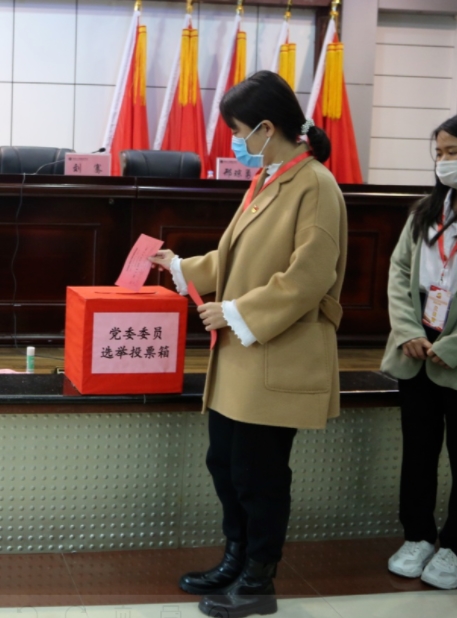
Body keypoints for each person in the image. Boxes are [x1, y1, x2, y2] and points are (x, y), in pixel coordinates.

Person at [150, 70, 347, 617]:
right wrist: (181, 266)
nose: (236, 142)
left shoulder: (315, 184)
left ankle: (259, 580)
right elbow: (233, 257)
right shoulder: (268, 177)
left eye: (238, 131)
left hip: (276, 353)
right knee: (225, 463)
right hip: (243, 353)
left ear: (266, 127)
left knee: (259, 475)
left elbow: (310, 276)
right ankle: (235, 559)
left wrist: (235, 311)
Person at [382, 115, 457, 590]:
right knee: (418, 452)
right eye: (441, 153)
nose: (445, 162)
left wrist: (453, 345)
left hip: (453, 349)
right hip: (418, 347)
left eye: (454, 152)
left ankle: (454, 545)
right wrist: (408, 330)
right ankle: (418, 536)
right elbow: (398, 272)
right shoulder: (426, 212)